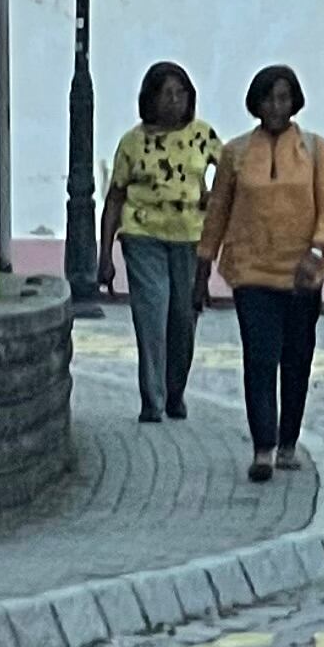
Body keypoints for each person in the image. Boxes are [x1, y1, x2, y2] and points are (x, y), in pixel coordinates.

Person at [198, 62, 324, 481]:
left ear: (294, 101)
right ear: (255, 103)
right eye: (268, 98)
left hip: (302, 272)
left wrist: (317, 250)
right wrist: (203, 264)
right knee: (260, 358)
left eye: (283, 97)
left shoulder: (315, 149)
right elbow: (218, 211)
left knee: (296, 359)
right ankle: (263, 446)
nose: (276, 106)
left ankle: (289, 442)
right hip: (251, 271)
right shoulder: (236, 153)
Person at [98, 63, 219, 425]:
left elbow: (231, 177)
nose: (173, 102)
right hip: (142, 235)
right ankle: (152, 399)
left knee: (183, 317)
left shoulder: (203, 135)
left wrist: (213, 198)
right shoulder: (132, 143)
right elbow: (115, 198)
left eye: (181, 94)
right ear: (149, 99)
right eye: (166, 94)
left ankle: (175, 391)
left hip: (190, 238)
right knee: (152, 314)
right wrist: (104, 254)